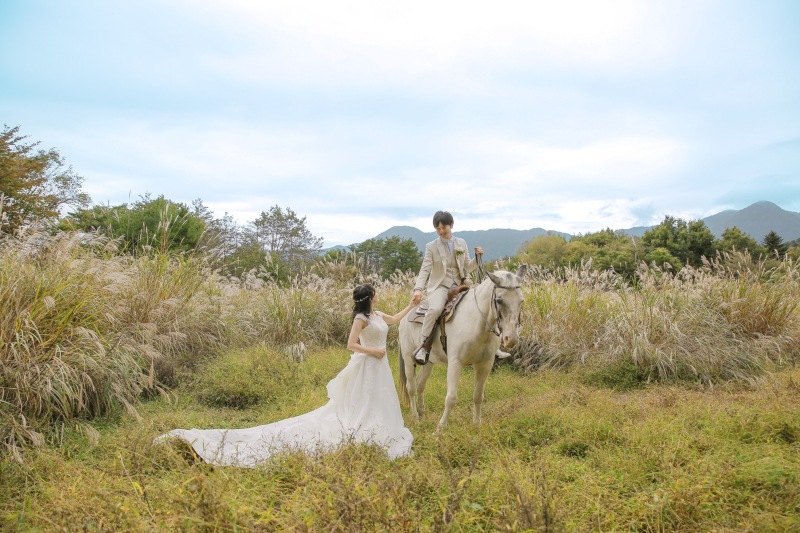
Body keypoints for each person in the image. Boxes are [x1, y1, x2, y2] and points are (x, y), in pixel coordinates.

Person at [156, 284, 416, 467]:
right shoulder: (360, 318)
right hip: (369, 363)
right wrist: (373, 351)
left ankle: (382, 427)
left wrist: (411, 305)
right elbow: (350, 345)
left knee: (381, 399)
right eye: (375, 292)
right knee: (362, 403)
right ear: (369, 296)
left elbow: (394, 320)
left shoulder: (378, 315)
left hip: (379, 367)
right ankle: (365, 429)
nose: (377, 294)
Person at [412, 210, 483, 365]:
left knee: (480, 305)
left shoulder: (461, 243)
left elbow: (468, 267)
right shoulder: (431, 246)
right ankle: (423, 346)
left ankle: (488, 346)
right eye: (437, 229)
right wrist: (418, 289)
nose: (441, 231)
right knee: (436, 309)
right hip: (440, 286)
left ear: (451, 225)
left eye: (444, 227)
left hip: (460, 285)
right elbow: (425, 269)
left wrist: (478, 258)